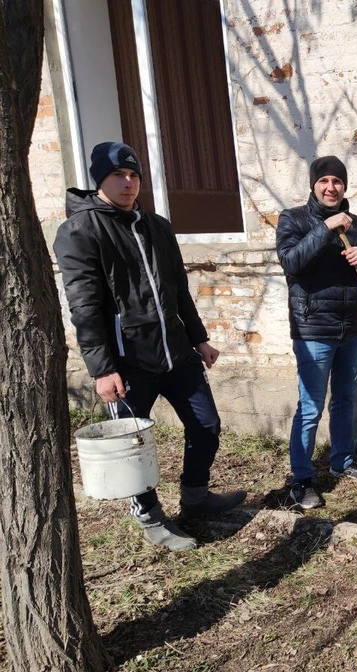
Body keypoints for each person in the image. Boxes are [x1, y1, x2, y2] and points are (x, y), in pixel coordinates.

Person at [54, 142, 246, 552]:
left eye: (134, 175)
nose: (128, 183)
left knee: (206, 426)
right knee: (132, 446)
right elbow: (84, 307)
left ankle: (195, 498)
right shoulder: (81, 230)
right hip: (126, 363)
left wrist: (199, 338)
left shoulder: (156, 226)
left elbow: (179, 291)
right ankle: (150, 516)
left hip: (176, 353)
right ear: (99, 180)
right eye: (118, 176)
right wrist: (102, 368)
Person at [276, 155, 357, 510]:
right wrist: (324, 230)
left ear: (344, 186)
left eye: (337, 181)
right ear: (313, 185)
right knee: (310, 408)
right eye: (324, 181)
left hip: (351, 328)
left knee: (344, 400)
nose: (330, 187)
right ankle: (301, 481)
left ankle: (342, 461)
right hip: (313, 330)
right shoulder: (292, 219)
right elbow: (291, 262)